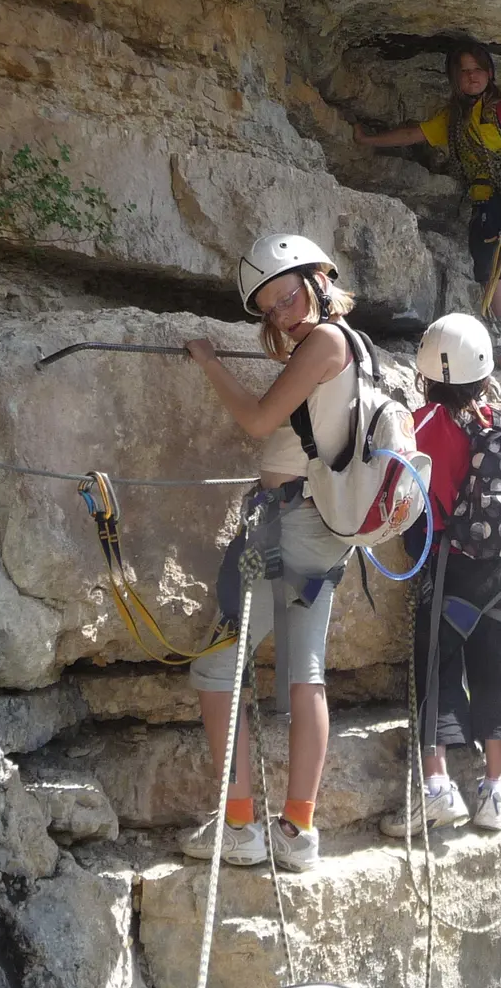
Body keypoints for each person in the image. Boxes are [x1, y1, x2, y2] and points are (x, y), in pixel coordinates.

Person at [179, 233, 358, 871]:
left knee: (216, 671)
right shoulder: (352, 346)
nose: (283, 312)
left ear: (317, 278)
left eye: (286, 295)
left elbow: (258, 421)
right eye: (270, 308)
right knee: (304, 674)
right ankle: (299, 832)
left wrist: (207, 360)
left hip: (284, 525)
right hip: (322, 532)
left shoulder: (324, 342)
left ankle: (243, 828)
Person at [382, 314, 501, 836]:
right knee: (494, 666)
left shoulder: (424, 424)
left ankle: (437, 786)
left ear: (427, 373)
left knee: (435, 661)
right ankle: (495, 791)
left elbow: (395, 478)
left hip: (449, 565)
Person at [353, 40, 501, 353]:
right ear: (455, 78)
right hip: (486, 197)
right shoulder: (452, 119)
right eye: (465, 71)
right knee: (491, 269)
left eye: (478, 70)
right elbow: (412, 134)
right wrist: (368, 139)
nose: (472, 77)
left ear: (489, 73)